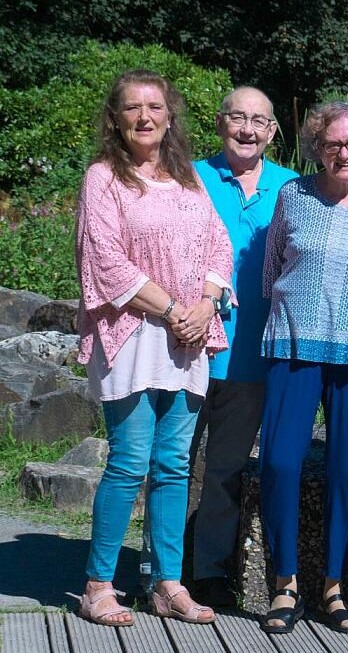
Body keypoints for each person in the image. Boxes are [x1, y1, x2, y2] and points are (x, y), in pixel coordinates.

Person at [74, 69, 233, 627]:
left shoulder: (187, 177)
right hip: (134, 334)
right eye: (133, 108)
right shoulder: (103, 178)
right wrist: (171, 311)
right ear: (115, 119)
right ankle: (98, 585)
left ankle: (166, 583)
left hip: (188, 336)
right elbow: (106, 259)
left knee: (172, 465)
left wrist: (207, 305)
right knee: (129, 460)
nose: (146, 117)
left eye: (156, 107)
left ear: (170, 115)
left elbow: (218, 242)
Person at [257, 100, 348, 634]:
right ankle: (285, 583)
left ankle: (334, 585)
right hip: (293, 346)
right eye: (333, 144)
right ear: (316, 147)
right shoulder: (292, 195)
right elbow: (272, 267)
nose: (344, 152)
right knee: (280, 462)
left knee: (346, 469)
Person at [189, 86, 298, 607]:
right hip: (183, 347)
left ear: (273, 131)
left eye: (259, 120)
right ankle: (158, 568)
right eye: (238, 118)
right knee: (167, 463)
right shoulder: (188, 177)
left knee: (226, 469)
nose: (248, 129)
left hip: (254, 353)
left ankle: (209, 571)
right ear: (220, 122)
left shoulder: (292, 187)